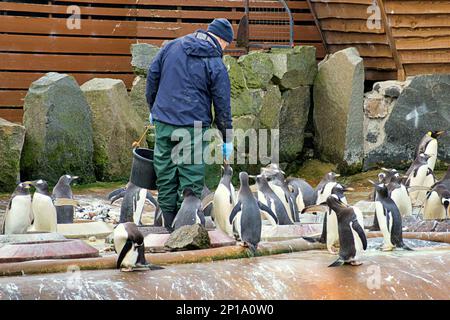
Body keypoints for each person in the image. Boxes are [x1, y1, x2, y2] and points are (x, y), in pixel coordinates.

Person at [146, 18, 234, 228]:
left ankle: (166, 225)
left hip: (164, 121)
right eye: (226, 45)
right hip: (193, 128)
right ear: (221, 40)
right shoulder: (215, 62)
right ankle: (185, 229)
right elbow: (222, 105)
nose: (224, 49)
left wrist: (153, 108)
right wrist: (227, 137)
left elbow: (152, 76)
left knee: (165, 175)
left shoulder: (172, 46)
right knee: (190, 180)